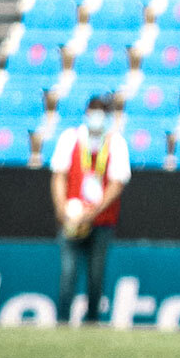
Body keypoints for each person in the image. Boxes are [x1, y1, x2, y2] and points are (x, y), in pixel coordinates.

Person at [50, 94, 130, 325]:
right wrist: (62, 208)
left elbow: (117, 184)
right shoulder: (70, 138)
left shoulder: (116, 143)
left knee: (96, 275)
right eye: (94, 111)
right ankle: (63, 320)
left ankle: (92, 320)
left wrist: (92, 213)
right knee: (68, 272)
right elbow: (59, 176)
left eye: (102, 112)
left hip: (101, 221)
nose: (97, 116)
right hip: (71, 220)